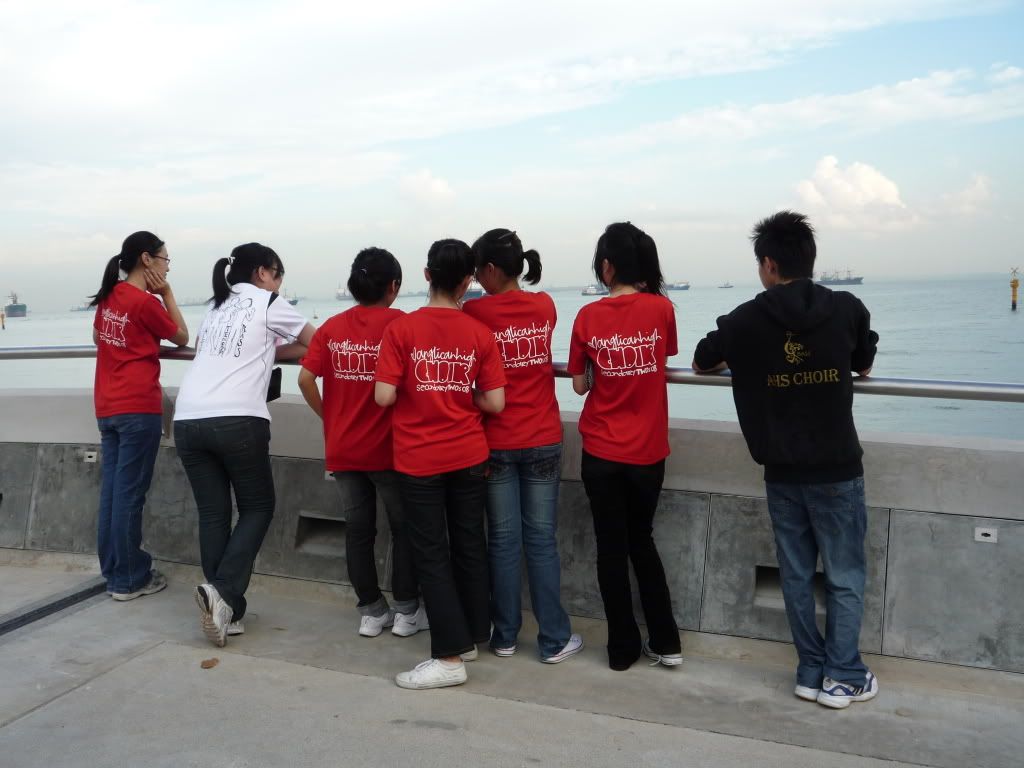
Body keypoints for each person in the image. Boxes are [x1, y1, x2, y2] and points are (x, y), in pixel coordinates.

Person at [692, 210, 880, 710]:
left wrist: (751, 357)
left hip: (781, 472)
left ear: (769, 264)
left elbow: (702, 358)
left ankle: (810, 670)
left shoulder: (746, 319)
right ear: (809, 260)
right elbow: (863, 360)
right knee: (845, 575)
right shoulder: (845, 309)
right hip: (838, 468)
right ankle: (843, 675)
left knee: (797, 575)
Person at [374, 238, 506, 690]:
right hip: (469, 453)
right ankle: (469, 637)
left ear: (426, 275)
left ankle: (449, 658)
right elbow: (495, 401)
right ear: (468, 281)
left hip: (419, 457)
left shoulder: (402, 330)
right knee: (470, 545)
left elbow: (384, 396)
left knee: (431, 552)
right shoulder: (479, 334)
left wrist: (421, 387)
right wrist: (457, 394)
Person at [173, 243, 315, 647]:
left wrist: (265, 350)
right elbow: (315, 342)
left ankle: (223, 609)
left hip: (188, 419)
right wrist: (271, 350)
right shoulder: (269, 301)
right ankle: (224, 595)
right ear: (263, 273)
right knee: (258, 506)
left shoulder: (216, 305)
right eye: (278, 275)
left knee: (213, 514)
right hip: (237, 418)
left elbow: (205, 353)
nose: (280, 283)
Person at [567, 222, 682, 672]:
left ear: (608, 266)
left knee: (610, 550)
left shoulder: (588, 317)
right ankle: (667, 642)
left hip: (600, 450)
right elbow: (664, 356)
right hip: (648, 452)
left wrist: (600, 369)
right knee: (643, 542)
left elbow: (578, 386)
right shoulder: (661, 310)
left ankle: (621, 650)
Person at [463, 228, 581, 663]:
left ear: (491, 270)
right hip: (544, 437)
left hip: (495, 440)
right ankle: (553, 640)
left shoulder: (473, 314)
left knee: (504, 541)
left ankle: (505, 636)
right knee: (542, 542)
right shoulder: (544, 305)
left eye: (478, 271)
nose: (475, 279)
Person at [298, 248, 425, 639]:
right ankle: (406, 612)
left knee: (358, 531)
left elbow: (304, 380)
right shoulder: (402, 325)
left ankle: (371, 612)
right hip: (389, 450)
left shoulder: (333, 328)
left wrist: (331, 419)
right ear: (393, 286)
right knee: (404, 529)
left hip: (344, 449)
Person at [90, 231, 188, 601]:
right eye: (165, 259)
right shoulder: (144, 302)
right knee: (130, 496)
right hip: (137, 407)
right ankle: (130, 579)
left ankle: (115, 570)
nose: (166, 265)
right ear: (147, 260)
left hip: (108, 407)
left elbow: (98, 338)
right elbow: (181, 336)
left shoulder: (109, 297)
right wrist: (167, 293)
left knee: (113, 494)